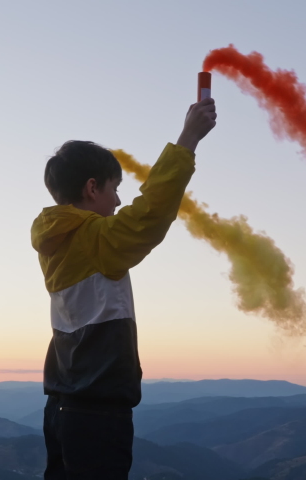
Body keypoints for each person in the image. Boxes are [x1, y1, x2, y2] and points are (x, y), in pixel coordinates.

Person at [30, 97, 217, 479]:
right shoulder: (93, 240)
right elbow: (149, 214)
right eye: (115, 189)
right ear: (92, 188)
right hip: (96, 415)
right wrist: (188, 140)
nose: (118, 201)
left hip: (62, 407)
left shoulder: (56, 240)